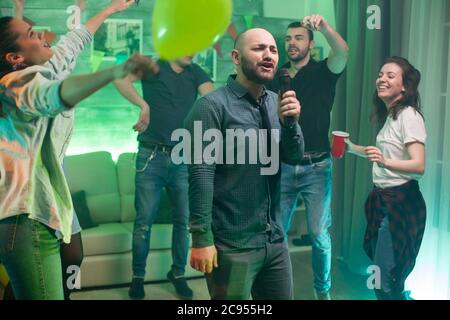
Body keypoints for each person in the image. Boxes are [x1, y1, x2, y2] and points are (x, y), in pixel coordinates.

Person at [0, 0, 156, 300]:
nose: (45, 35)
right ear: (15, 57)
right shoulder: (15, 84)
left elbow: (74, 41)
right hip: (25, 219)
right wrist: (115, 71)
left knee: (60, 268)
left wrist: (111, 9)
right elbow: (53, 96)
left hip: (43, 211)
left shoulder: (46, 66)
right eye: (32, 34)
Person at [185, 28, 305, 300]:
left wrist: (291, 124)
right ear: (236, 58)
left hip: (274, 241)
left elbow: (294, 156)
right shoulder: (211, 107)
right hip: (232, 245)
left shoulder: (277, 102)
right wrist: (201, 239)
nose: (269, 55)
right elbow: (201, 175)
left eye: (273, 50)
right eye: (259, 48)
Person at [113, 55, 214, 300]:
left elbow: (212, 100)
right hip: (151, 156)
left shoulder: (196, 72)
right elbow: (120, 80)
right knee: (144, 222)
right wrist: (143, 105)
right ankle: (138, 277)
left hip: (182, 158)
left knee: (184, 222)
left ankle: (177, 274)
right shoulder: (154, 66)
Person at [267, 15, 349, 300]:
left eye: (298, 38)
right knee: (276, 233)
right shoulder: (278, 78)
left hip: (317, 166)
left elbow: (343, 52)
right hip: (284, 167)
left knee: (319, 235)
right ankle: (274, 292)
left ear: (311, 43)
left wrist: (324, 26)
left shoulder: (324, 71)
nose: (292, 43)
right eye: (288, 39)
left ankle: (322, 292)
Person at [346, 57, 426, 300]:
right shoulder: (392, 115)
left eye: (390, 75)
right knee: (386, 277)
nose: (382, 79)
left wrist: (384, 162)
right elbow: (382, 155)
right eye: (381, 74)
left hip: (399, 204)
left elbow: (418, 165)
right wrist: (351, 147)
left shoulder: (409, 116)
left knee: (384, 279)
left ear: (404, 86)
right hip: (384, 201)